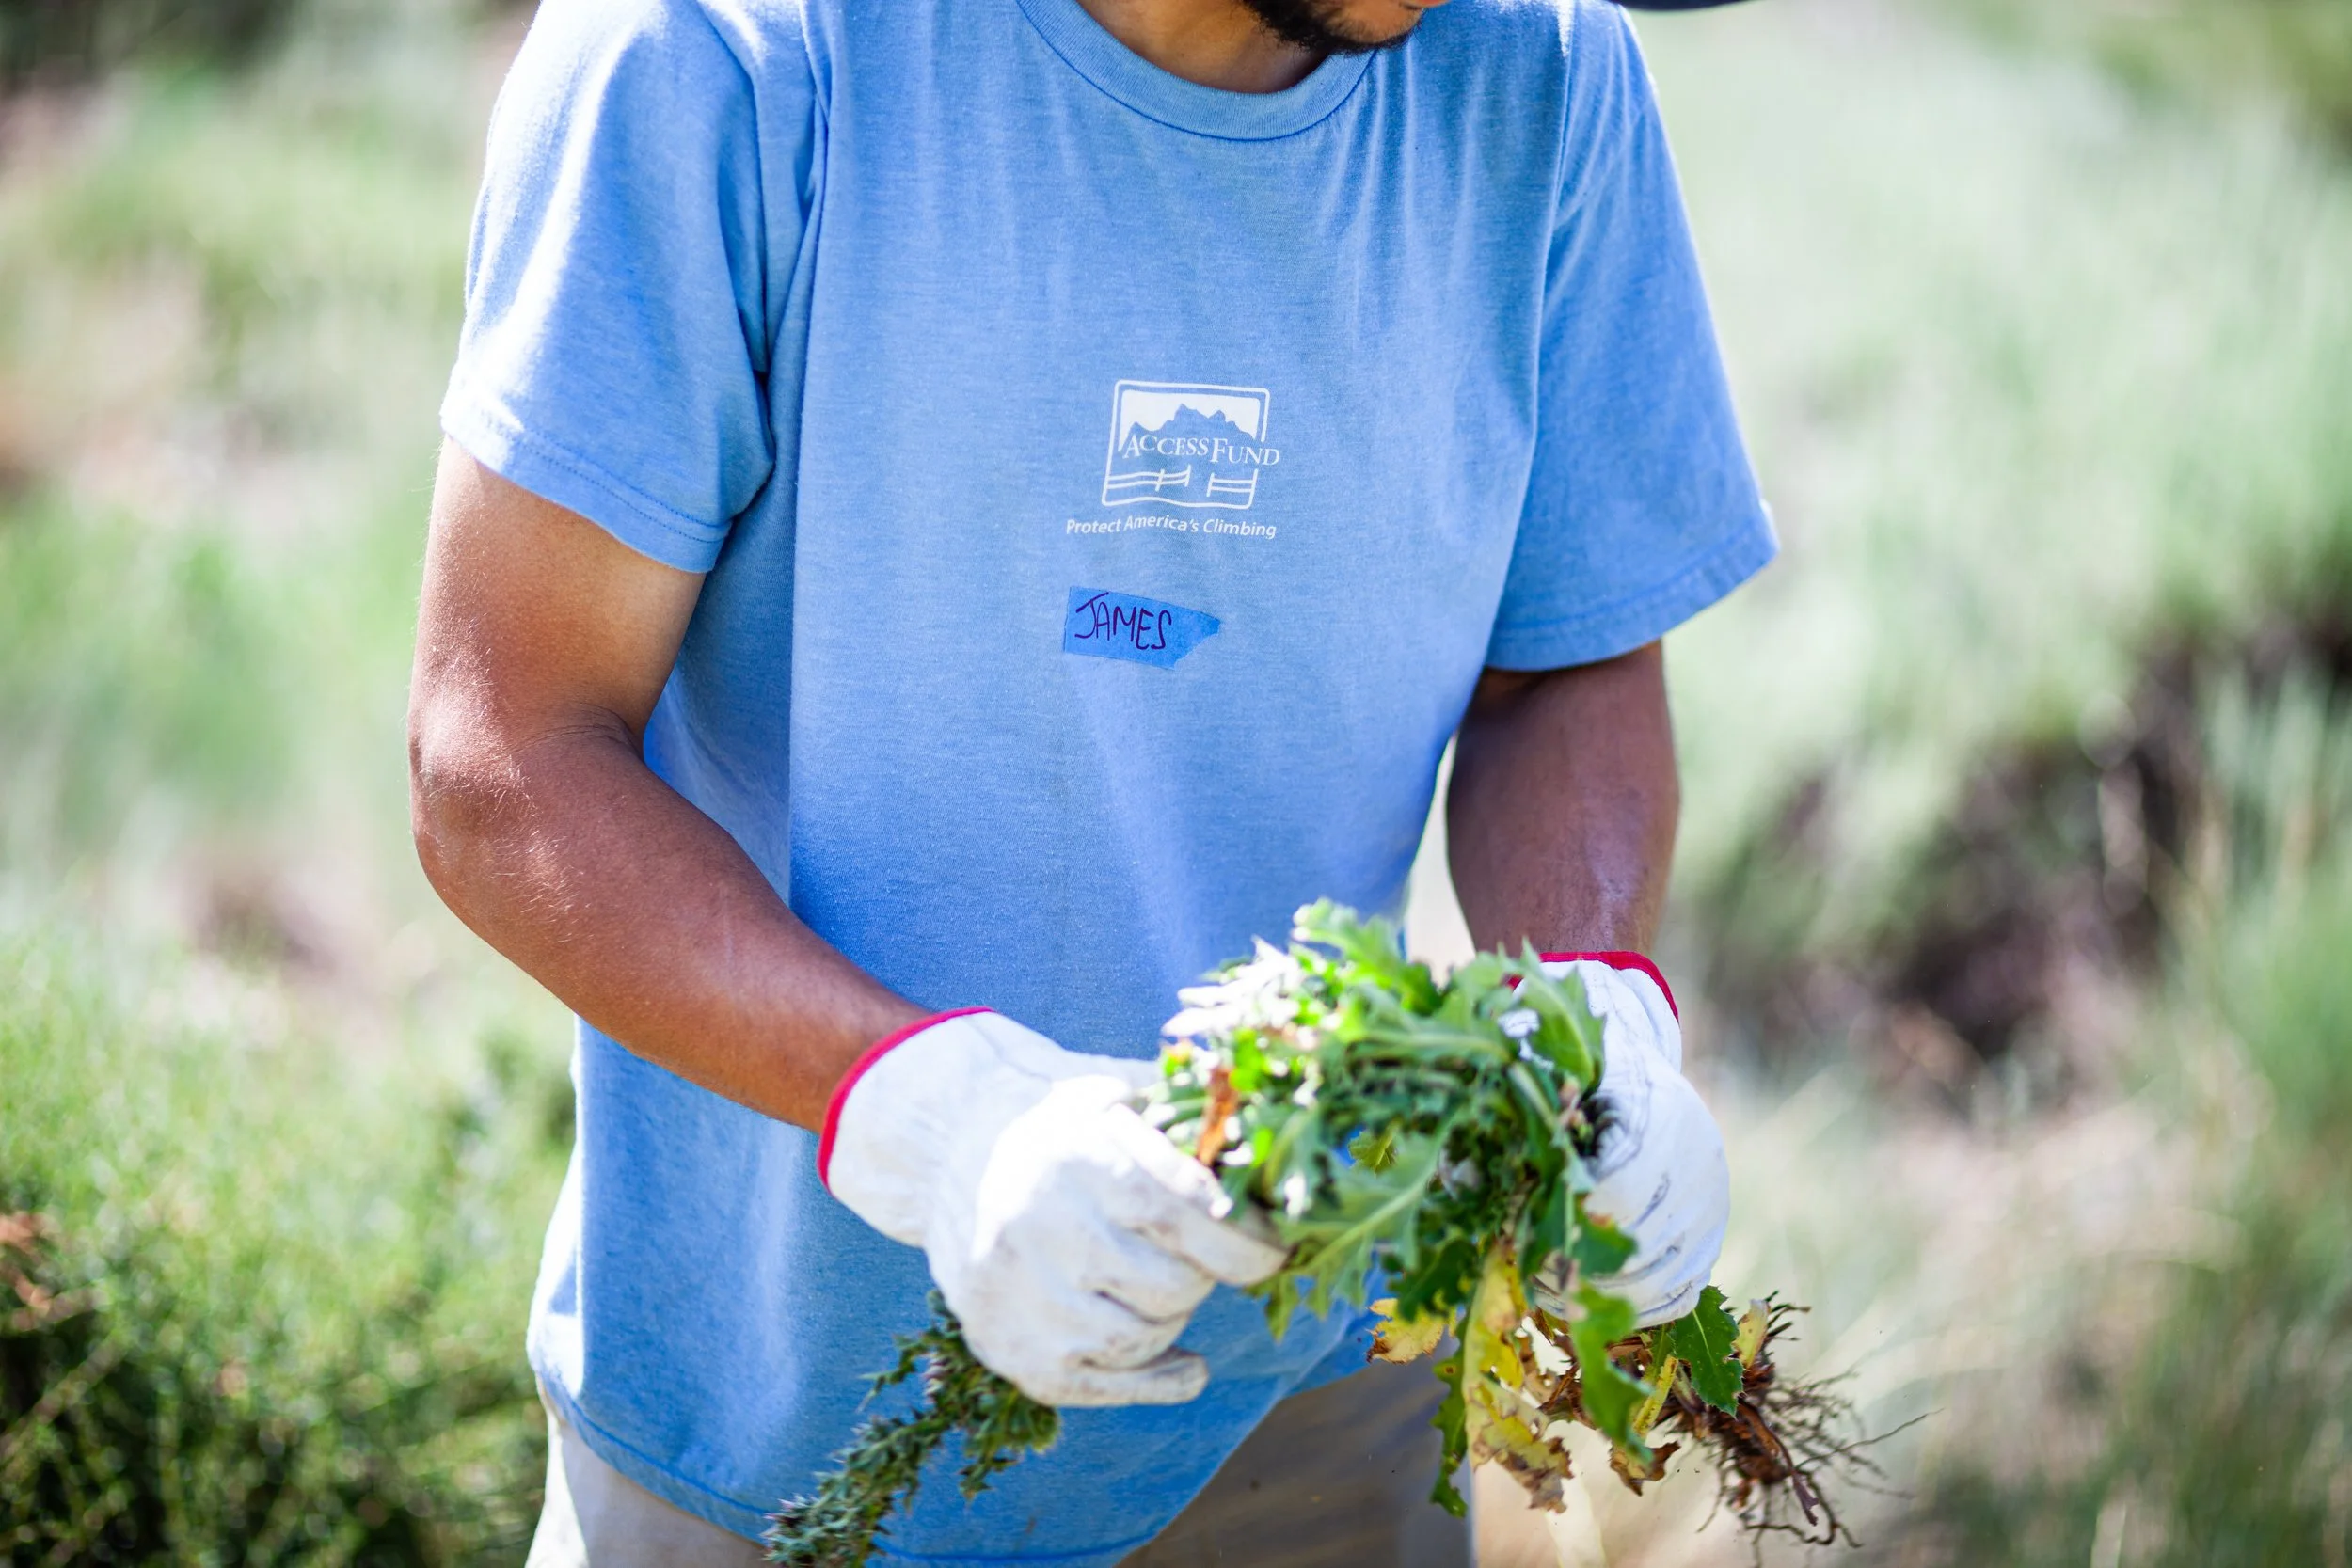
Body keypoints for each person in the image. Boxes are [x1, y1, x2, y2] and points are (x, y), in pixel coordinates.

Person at [406, 0, 1770, 1556]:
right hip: (783, 1438)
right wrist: (936, 1116)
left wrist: (1601, 1008)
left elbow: (1565, 666)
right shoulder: (721, 57)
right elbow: (503, 755)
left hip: (1314, 1414)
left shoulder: (1545, 76)